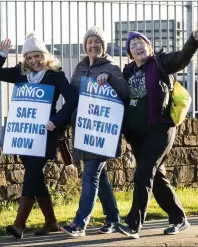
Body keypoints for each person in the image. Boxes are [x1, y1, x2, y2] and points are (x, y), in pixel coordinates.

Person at [117, 27, 198, 239]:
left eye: (141, 43)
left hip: (161, 128)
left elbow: (182, 58)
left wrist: (193, 41)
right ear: (129, 52)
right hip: (136, 134)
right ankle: (179, 218)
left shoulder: (161, 63)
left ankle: (133, 224)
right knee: (156, 177)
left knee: (143, 173)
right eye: (133, 44)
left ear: (149, 47)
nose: (138, 47)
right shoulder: (127, 72)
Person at [0, 33, 78, 238]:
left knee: (31, 174)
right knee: (35, 176)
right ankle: (52, 223)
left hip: (46, 133)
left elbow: (72, 100)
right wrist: (1, 54)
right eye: (29, 57)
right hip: (25, 134)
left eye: (37, 56)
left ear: (44, 55)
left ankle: (19, 224)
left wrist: (56, 121)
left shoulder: (55, 74)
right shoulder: (21, 74)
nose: (34, 61)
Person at [60, 27, 130, 237]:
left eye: (97, 42)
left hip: (103, 133)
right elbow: (72, 98)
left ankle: (80, 223)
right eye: (89, 42)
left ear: (103, 45)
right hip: (83, 130)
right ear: (85, 46)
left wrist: (108, 76)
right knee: (100, 177)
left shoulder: (111, 67)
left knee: (90, 175)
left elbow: (125, 92)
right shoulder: (80, 67)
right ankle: (114, 218)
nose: (93, 46)